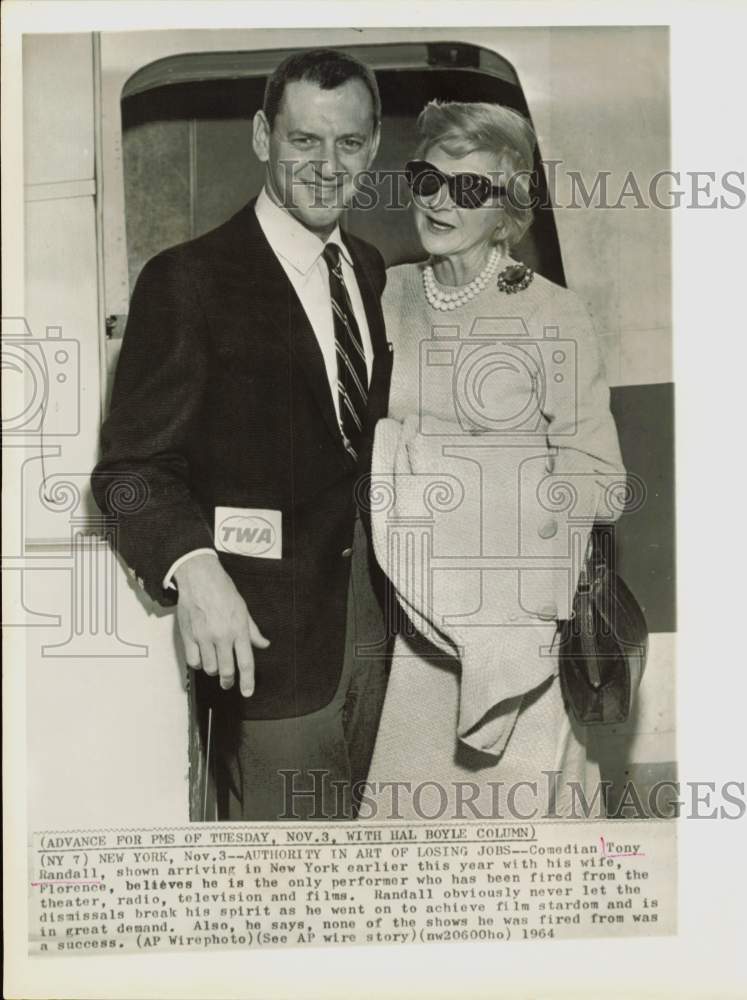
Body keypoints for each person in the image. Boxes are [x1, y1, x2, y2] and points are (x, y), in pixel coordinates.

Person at [92, 49, 394, 821]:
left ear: (374, 145)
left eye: (349, 143)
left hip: (377, 631)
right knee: (281, 882)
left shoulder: (366, 268)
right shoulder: (187, 279)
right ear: (263, 136)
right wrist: (194, 568)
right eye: (303, 141)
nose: (327, 167)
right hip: (263, 649)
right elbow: (129, 472)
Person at [362, 101, 626, 821]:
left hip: (515, 627)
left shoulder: (551, 314)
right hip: (413, 628)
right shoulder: (383, 294)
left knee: (532, 855)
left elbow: (599, 483)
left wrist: (525, 593)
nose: (440, 201)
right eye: (427, 178)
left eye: (470, 189)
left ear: (507, 208)